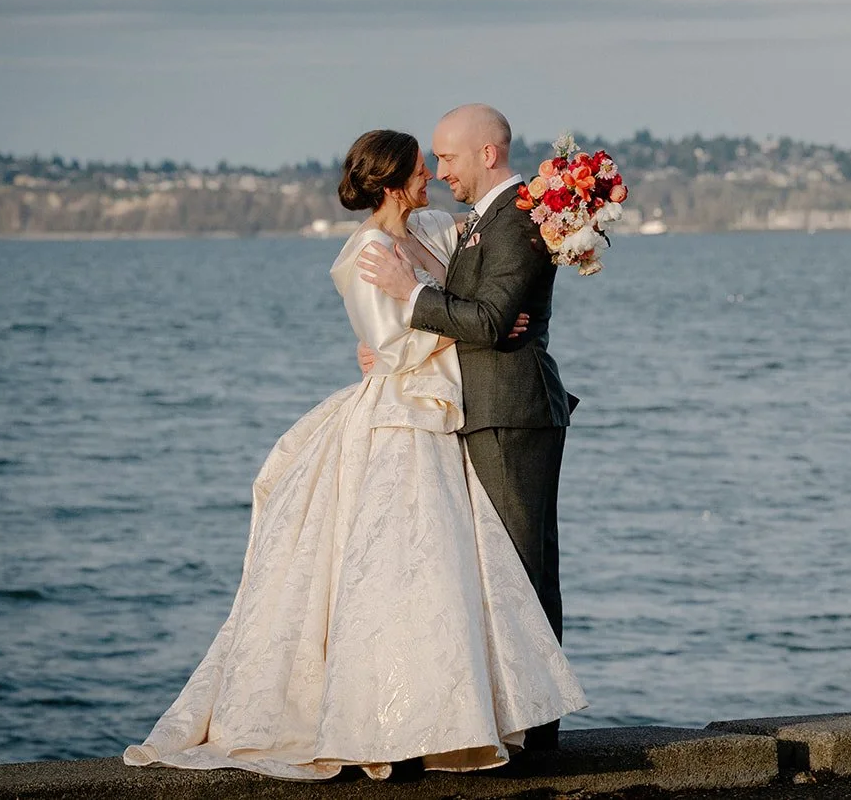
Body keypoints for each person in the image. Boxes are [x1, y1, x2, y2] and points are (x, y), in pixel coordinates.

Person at [124, 129, 585, 782]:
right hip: (406, 415)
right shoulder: (365, 251)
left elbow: (484, 264)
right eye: (422, 169)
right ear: (394, 180)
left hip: (454, 408)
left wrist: (492, 315)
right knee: (401, 575)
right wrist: (473, 333)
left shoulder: (430, 226)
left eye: (438, 163)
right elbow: (393, 349)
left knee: (461, 574)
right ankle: (391, 720)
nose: (432, 175)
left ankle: (466, 715)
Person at [357, 104, 576, 752]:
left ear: (487, 153)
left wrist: (410, 295)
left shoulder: (516, 217)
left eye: (447, 157)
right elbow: (478, 315)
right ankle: (511, 721)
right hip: (480, 408)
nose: (440, 169)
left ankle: (535, 736)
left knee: (522, 570)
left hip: (510, 410)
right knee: (501, 570)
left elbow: (488, 320)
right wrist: (389, 342)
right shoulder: (481, 221)